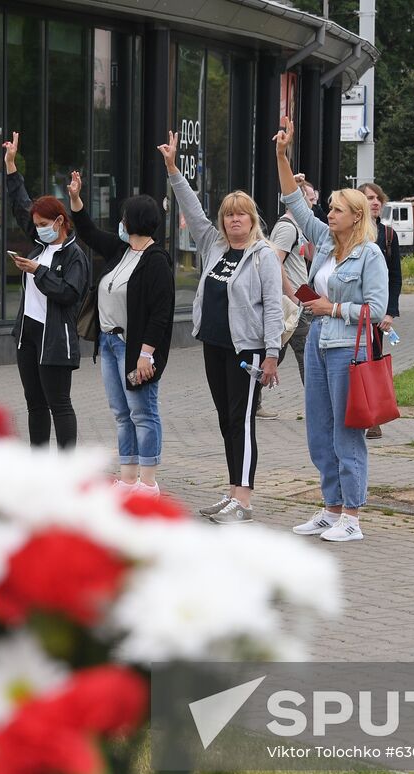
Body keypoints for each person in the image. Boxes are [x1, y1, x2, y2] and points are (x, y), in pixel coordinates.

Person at [162, 131, 283, 525]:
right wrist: (173, 169)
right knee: (225, 419)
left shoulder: (263, 256)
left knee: (242, 420)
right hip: (214, 345)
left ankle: (244, 500)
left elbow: (273, 307)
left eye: (241, 214)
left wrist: (272, 354)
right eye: (229, 215)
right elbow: (192, 209)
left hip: (247, 351)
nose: (234, 220)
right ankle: (232, 491)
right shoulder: (214, 246)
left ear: (252, 219)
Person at [276, 117, 388, 543]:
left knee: (346, 432)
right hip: (317, 344)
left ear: (356, 216)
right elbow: (293, 199)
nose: (329, 213)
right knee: (319, 431)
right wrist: (281, 154)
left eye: (337, 209)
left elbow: (376, 310)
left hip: (347, 349)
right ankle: (331, 508)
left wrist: (333, 307)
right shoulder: (325, 241)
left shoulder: (369, 254)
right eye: (330, 208)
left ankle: (352, 516)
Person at [66, 171, 175, 494]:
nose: (120, 223)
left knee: (143, 412)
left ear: (134, 221)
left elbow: (160, 314)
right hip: (110, 343)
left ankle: (148, 483)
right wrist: (75, 199)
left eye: (124, 217)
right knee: (121, 412)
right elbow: (88, 232)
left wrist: (146, 354)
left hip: (135, 348)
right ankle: (128, 479)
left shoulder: (156, 260)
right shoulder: (120, 249)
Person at [3, 132, 91, 449]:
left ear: (59, 221)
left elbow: (69, 294)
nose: (38, 228)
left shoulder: (74, 255)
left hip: (54, 336)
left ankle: (66, 467)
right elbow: (20, 205)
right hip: (28, 333)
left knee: (59, 404)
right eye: (36, 224)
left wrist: (37, 271)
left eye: (43, 223)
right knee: (35, 403)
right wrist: (11, 165)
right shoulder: (40, 245)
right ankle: (38, 463)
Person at [358, 181, 403, 440]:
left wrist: (389, 312)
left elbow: (395, 278)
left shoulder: (388, 235)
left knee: (373, 363)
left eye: (378, 199)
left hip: (375, 314)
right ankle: (353, 413)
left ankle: (374, 419)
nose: (375, 202)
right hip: (348, 311)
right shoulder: (348, 232)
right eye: (369, 198)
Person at [268, 191, 311, 394]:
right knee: (306, 352)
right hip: (292, 302)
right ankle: (317, 403)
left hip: (299, 299)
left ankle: (252, 399)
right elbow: (275, 262)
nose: (313, 203)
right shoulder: (287, 228)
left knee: (278, 351)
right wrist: (293, 296)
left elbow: (310, 255)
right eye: (310, 199)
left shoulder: (298, 227)